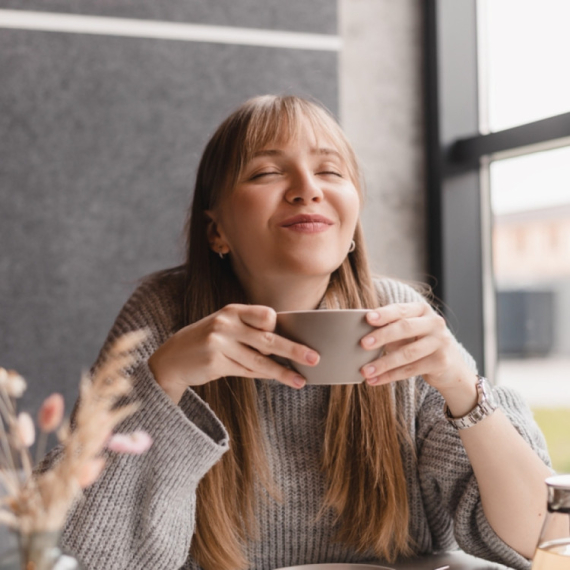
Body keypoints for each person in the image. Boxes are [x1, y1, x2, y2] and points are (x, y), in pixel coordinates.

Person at [54, 95, 551, 570]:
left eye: (330, 171)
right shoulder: (165, 315)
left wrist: (463, 385)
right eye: (267, 172)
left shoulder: (400, 318)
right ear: (216, 231)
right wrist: (162, 379)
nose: (307, 188)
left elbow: (537, 541)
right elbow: (82, 556)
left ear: (352, 220)